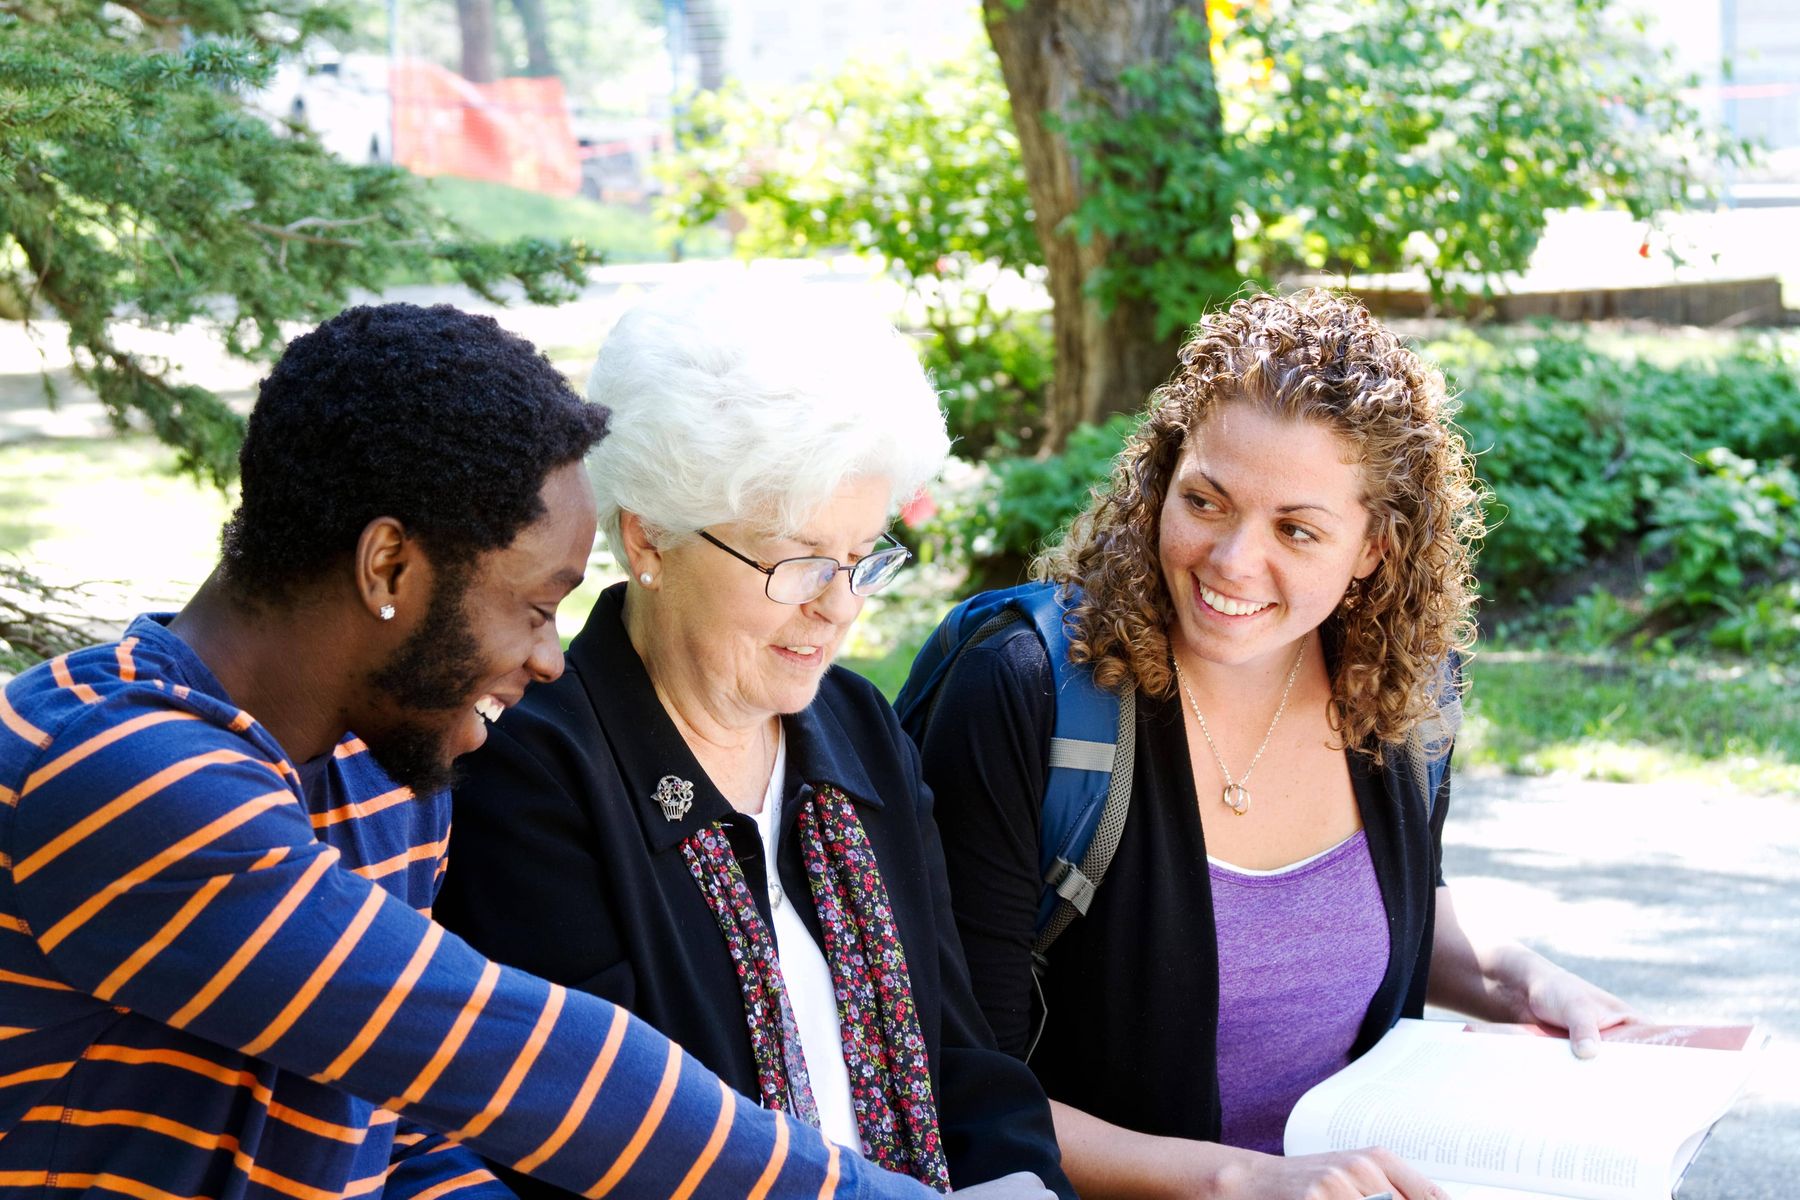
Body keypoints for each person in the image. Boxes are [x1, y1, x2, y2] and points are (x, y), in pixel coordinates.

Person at [0, 303, 1046, 1200]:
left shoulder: (385, 772)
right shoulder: (116, 772)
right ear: (389, 567)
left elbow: (400, 1131)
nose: (551, 660)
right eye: (538, 609)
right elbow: (512, 1059)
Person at [911, 291, 1636, 1200]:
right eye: (1205, 502)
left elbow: (1397, 905)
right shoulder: (1022, 690)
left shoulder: (1404, 691)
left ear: (1375, 546)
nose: (1231, 562)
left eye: (1296, 529)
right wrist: (1242, 1181)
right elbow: (954, 1077)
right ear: (1161, 480)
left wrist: (1519, 981)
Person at [435, 282, 1072, 1199]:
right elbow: (601, 1146)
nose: (839, 606)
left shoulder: (858, 729)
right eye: (797, 560)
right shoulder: (537, 777)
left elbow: (965, 1063)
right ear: (649, 541)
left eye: (861, 557)